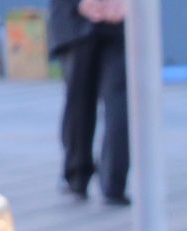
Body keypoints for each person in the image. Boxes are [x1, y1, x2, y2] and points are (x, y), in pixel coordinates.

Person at [50, 0, 128, 206]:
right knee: (119, 99)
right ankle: (114, 183)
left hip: (76, 22)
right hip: (116, 20)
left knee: (79, 100)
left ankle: (77, 176)